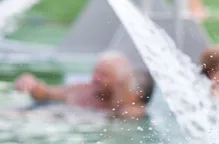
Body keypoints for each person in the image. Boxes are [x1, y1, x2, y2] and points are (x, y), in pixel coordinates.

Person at [14, 52, 145, 120]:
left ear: (119, 82)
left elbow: (130, 115)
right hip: (44, 116)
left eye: (104, 75)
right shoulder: (81, 89)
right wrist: (30, 82)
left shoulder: (128, 106)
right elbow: (44, 94)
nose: (96, 78)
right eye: (96, 71)